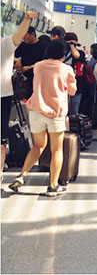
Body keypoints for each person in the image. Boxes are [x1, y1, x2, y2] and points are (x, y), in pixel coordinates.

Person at [8, 39, 77, 196]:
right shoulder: (67, 69)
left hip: (36, 111)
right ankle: (53, 186)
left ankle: (21, 176)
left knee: (38, 146)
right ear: (63, 53)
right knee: (57, 149)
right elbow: (72, 91)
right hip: (55, 114)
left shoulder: (39, 65)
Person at [1, 11, 35, 178]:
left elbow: (19, 35)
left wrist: (27, 19)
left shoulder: (4, 44)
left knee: (1, 141)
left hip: (2, 96)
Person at [14, 26, 47, 98]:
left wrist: (30, 67)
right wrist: (17, 60)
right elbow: (12, 55)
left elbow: (45, 63)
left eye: (25, 36)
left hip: (38, 77)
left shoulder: (43, 46)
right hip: (24, 78)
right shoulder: (23, 45)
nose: (23, 38)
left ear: (32, 34)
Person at [69, 51, 90, 116]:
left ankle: (73, 115)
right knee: (77, 101)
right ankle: (76, 114)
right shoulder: (84, 64)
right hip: (83, 85)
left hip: (75, 84)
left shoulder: (75, 64)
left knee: (74, 101)